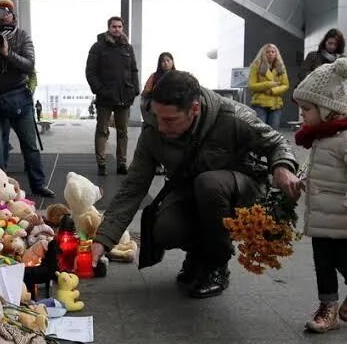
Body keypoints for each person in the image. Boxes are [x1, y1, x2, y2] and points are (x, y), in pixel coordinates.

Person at [90, 71, 300, 298]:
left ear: (195, 109)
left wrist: (282, 167)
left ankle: (216, 266)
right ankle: (197, 254)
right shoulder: (153, 132)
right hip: (192, 192)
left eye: (170, 120)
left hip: (239, 189)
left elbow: (277, 141)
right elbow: (133, 187)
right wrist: (103, 239)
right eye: (157, 116)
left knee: (209, 184)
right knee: (165, 229)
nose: (161, 126)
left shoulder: (233, 117)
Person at [292, 58, 347, 333]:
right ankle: (327, 307)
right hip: (323, 214)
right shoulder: (324, 134)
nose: (302, 116)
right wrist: (303, 181)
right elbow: (324, 169)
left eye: (307, 109)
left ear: (327, 108)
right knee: (322, 264)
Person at [0, 0, 55, 198]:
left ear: (12, 15)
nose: (3, 14)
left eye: (7, 11)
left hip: (18, 99)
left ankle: (38, 184)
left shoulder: (22, 36)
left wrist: (7, 53)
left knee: (29, 145)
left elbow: (29, 64)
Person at [86, 16, 140, 176]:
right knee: (102, 130)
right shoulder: (98, 47)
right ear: (108, 28)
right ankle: (101, 163)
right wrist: (99, 90)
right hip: (105, 98)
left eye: (119, 26)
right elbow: (90, 72)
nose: (117, 29)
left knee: (123, 132)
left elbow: (134, 71)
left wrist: (135, 90)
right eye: (114, 26)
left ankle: (122, 164)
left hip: (124, 96)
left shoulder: (128, 48)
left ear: (122, 28)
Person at [142, 52, 176, 176]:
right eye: (163, 61)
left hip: (174, 114)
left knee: (171, 140)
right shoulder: (155, 76)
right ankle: (157, 164)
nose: (166, 63)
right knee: (157, 139)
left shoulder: (178, 76)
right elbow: (145, 93)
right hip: (158, 113)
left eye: (168, 60)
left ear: (172, 61)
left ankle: (169, 165)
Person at [247, 44, 289, 130]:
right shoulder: (256, 66)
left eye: (273, 52)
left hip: (276, 105)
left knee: (273, 132)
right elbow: (251, 85)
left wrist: (272, 91)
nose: (270, 54)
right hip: (259, 104)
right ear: (263, 54)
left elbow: (286, 85)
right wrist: (269, 84)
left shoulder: (280, 67)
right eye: (267, 52)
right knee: (260, 132)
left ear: (276, 53)